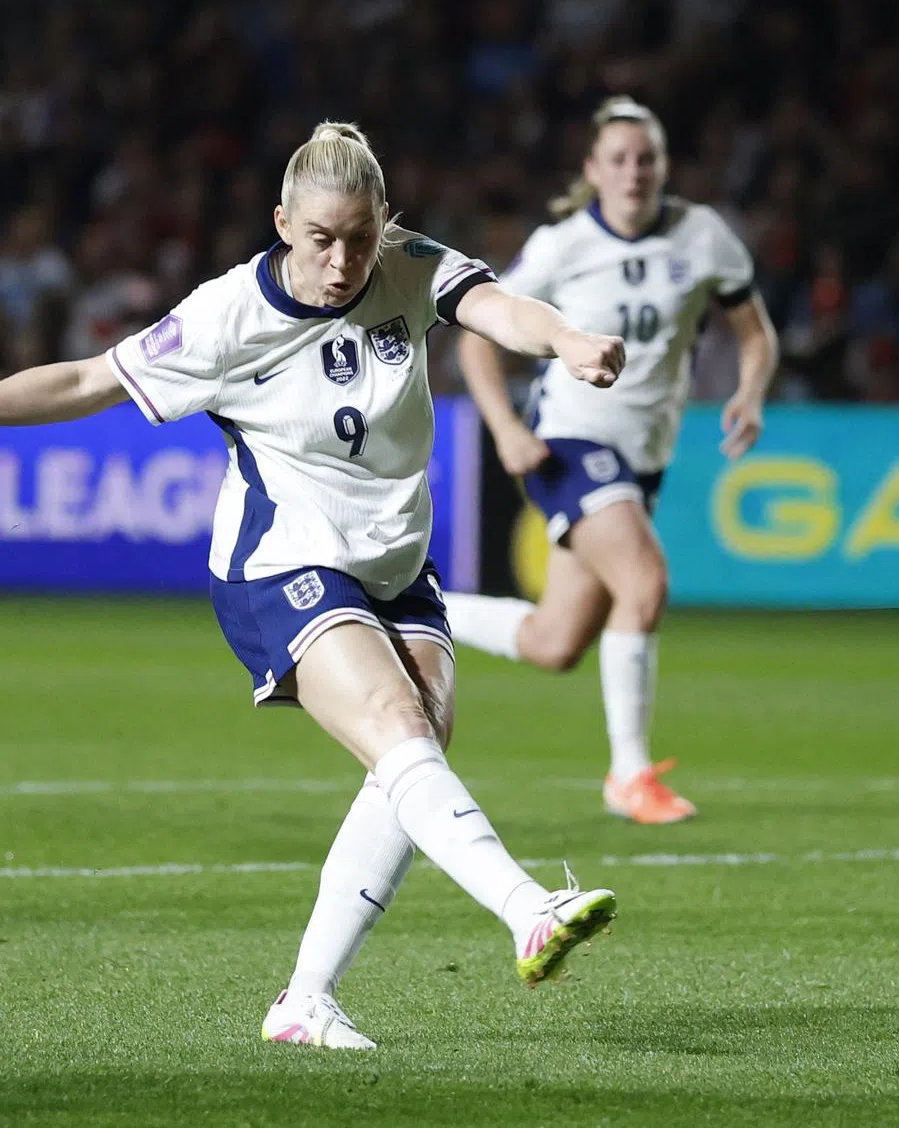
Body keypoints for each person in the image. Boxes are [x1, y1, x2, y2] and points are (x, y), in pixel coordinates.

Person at [0, 122, 626, 1049]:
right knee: (402, 728)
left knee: (414, 758)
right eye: (323, 239)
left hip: (396, 560)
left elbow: (499, 308)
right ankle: (529, 908)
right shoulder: (224, 318)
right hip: (282, 557)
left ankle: (304, 1002)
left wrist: (567, 340)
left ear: (386, 223)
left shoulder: (409, 265)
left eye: (361, 238)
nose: (343, 262)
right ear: (284, 222)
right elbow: (91, 378)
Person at [445, 97, 779, 825]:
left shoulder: (705, 237)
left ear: (664, 166)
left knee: (554, 643)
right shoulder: (562, 245)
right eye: (620, 159)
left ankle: (418, 606)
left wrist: (750, 393)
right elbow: (476, 334)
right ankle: (629, 776)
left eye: (647, 158)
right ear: (593, 170)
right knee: (646, 581)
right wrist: (504, 428)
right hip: (569, 441)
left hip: (641, 460)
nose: (635, 172)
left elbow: (754, 333)